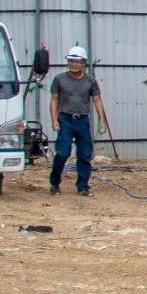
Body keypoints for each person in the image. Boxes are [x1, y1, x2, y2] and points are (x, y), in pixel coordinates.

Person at [45, 45, 105, 197]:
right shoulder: (59, 79)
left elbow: (97, 100)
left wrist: (101, 121)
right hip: (65, 119)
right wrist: (54, 119)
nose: (74, 64)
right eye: (71, 61)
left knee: (85, 155)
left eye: (77, 61)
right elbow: (54, 99)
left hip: (82, 120)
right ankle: (54, 182)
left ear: (84, 63)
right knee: (62, 153)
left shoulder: (90, 81)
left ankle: (83, 186)